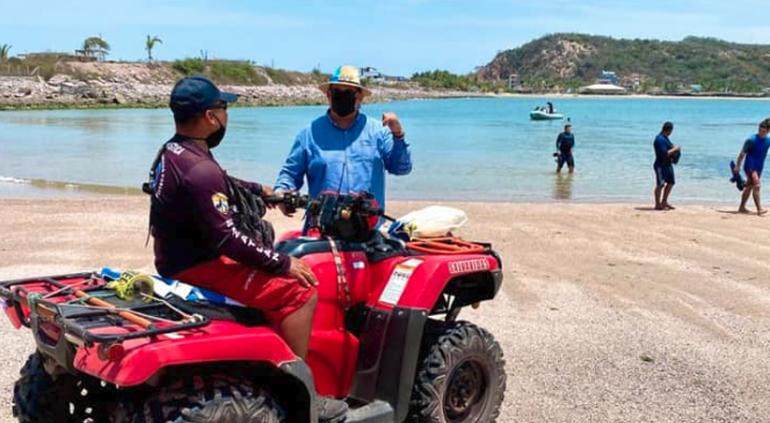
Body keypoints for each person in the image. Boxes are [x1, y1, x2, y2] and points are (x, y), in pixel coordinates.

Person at [145, 76, 347, 420]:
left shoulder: (173, 150)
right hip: (196, 262)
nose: (227, 115)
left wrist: (259, 191)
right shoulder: (200, 168)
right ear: (210, 116)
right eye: (224, 108)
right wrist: (282, 263)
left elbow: (219, 183)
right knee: (301, 289)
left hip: (176, 254)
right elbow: (230, 239)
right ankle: (297, 389)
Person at [275, 65, 412, 216]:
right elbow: (290, 174)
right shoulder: (309, 134)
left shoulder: (378, 132)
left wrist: (398, 135)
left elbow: (401, 168)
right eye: (337, 92)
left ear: (359, 97)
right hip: (321, 225)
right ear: (328, 95)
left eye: (348, 92)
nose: (342, 96)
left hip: (367, 227)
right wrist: (282, 193)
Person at [734, 118, 770, 215]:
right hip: (750, 166)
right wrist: (737, 166)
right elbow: (742, 154)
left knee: (749, 187)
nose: (760, 132)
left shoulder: (768, 140)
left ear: (768, 131)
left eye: (763, 131)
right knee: (757, 186)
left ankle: (741, 207)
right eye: (759, 130)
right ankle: (759, 209)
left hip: (759, 167)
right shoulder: (751, 140)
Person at [653, 121, 681, 210]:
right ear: (669, 130)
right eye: (671, 131)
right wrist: (675, 149)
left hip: (668, 164)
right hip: (660, 165)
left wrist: (674, 147)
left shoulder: (665, 138)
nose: (671, 133)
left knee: (671, 183)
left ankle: (664, 201)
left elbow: (670, 146)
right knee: (660, 185)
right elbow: (664, 153)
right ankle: (657, 204)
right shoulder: (659, 139)